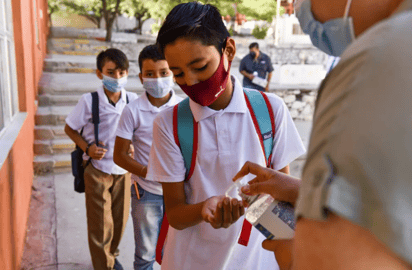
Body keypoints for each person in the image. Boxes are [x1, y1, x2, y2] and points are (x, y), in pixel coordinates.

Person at [233, 0, 412, 269]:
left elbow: (338, 258)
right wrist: (304, 192)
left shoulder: (376, 60)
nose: (300, 9)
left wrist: (294, 256)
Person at [145, 2, 306, 270]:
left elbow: (282, 195)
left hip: (258, 260)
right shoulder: (169, 124)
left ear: (228, 50)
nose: (191, 81)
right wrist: (203, 209)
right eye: (178, 74)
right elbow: (175, 213)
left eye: (200, 66)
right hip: (190, 261)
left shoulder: (270, 110)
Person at [64, 48, 138, 270]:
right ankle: (103, 265)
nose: (117, 77)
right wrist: (88, 147)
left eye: (121, 72)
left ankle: (111, 257)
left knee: (119, 221)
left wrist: (134, 145)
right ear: (99, 74)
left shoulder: (132, 100)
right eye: (111, 72)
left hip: (123, 170)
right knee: (100, 225)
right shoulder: (90, 101)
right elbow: (70, 128)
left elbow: (139, 130)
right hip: (97, 169)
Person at [113, 44, 183, 270]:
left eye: (164, 73)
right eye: (150, 74)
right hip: (146, 193)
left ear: (172, 72)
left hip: (181, 193)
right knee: (145, 255)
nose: (158, 79)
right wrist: (148, 171)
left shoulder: (185, 107)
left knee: (176, 252)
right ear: (141, 77)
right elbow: (119, 155)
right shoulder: (132, 110)